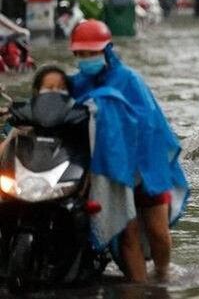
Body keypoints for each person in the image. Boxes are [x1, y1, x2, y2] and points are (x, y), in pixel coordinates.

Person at [69, 20, 189, 282]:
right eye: (80, 54)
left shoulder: (129, 80)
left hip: (145, 166)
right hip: (109, 170)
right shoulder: (77, 84)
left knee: (158, 230)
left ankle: (162, 275)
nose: (85, 59)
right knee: (127, 232)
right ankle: (139, 288)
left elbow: (150, 125)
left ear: (106, 50)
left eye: (91, 53)